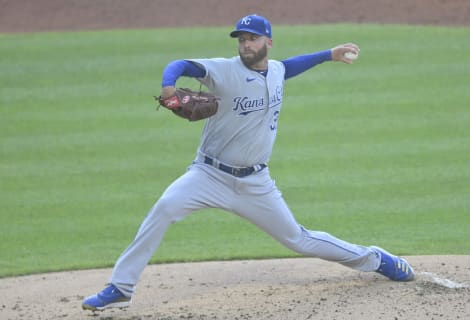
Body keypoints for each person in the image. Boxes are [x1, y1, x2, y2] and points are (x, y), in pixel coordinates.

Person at [82, 14, 414, 312]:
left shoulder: (276, 71)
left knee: (297, 239)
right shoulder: (224, 70)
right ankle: (121, 287)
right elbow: (181, 64)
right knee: (165, 206)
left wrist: (328, 55)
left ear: (268, 41)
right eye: (241, 39)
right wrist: (169, 84)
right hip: (208, 174)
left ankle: (375, 259)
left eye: (252, 38)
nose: (245, 44)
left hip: (255, 184)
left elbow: (290, 66)